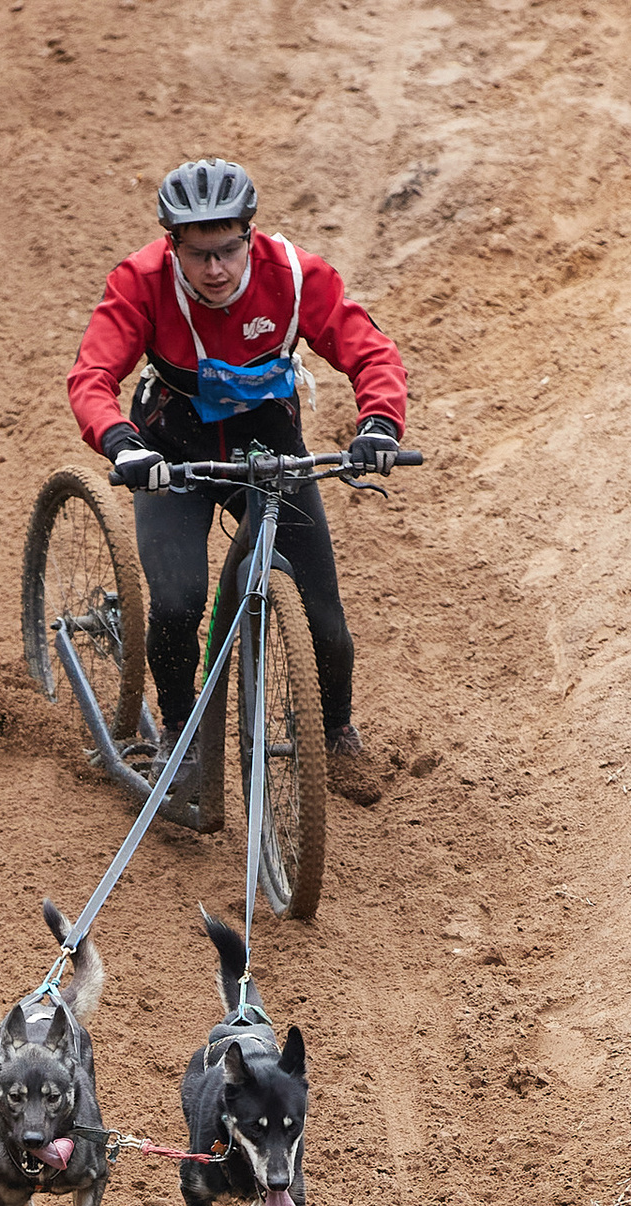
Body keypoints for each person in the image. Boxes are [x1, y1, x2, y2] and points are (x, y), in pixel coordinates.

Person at [67, 156, 406, 811]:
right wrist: (121, 444)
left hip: (271, 451)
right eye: (198, 255)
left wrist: (380, 425)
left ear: (251, 236)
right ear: (173, 247)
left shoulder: (297, 277)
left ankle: (334, 732)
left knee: (325, 621)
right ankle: (179, 731)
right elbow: (91, 378)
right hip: (171, 455)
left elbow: (371, 352)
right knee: (177, 602)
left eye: (228, 250)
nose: (215, 270)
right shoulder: (139, 283)